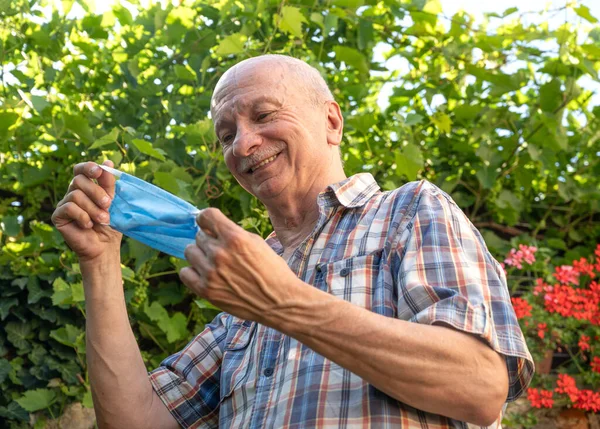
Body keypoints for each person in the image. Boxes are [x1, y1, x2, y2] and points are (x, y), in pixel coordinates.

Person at [51, 54, 534, 428]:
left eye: (263, 115)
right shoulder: (244, 291)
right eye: (226, 134)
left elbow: (480, 383)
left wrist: (281, 301)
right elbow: (135, 421)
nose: (242, 144)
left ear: (332, 122)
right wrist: (99, 262)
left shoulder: (408, 211)